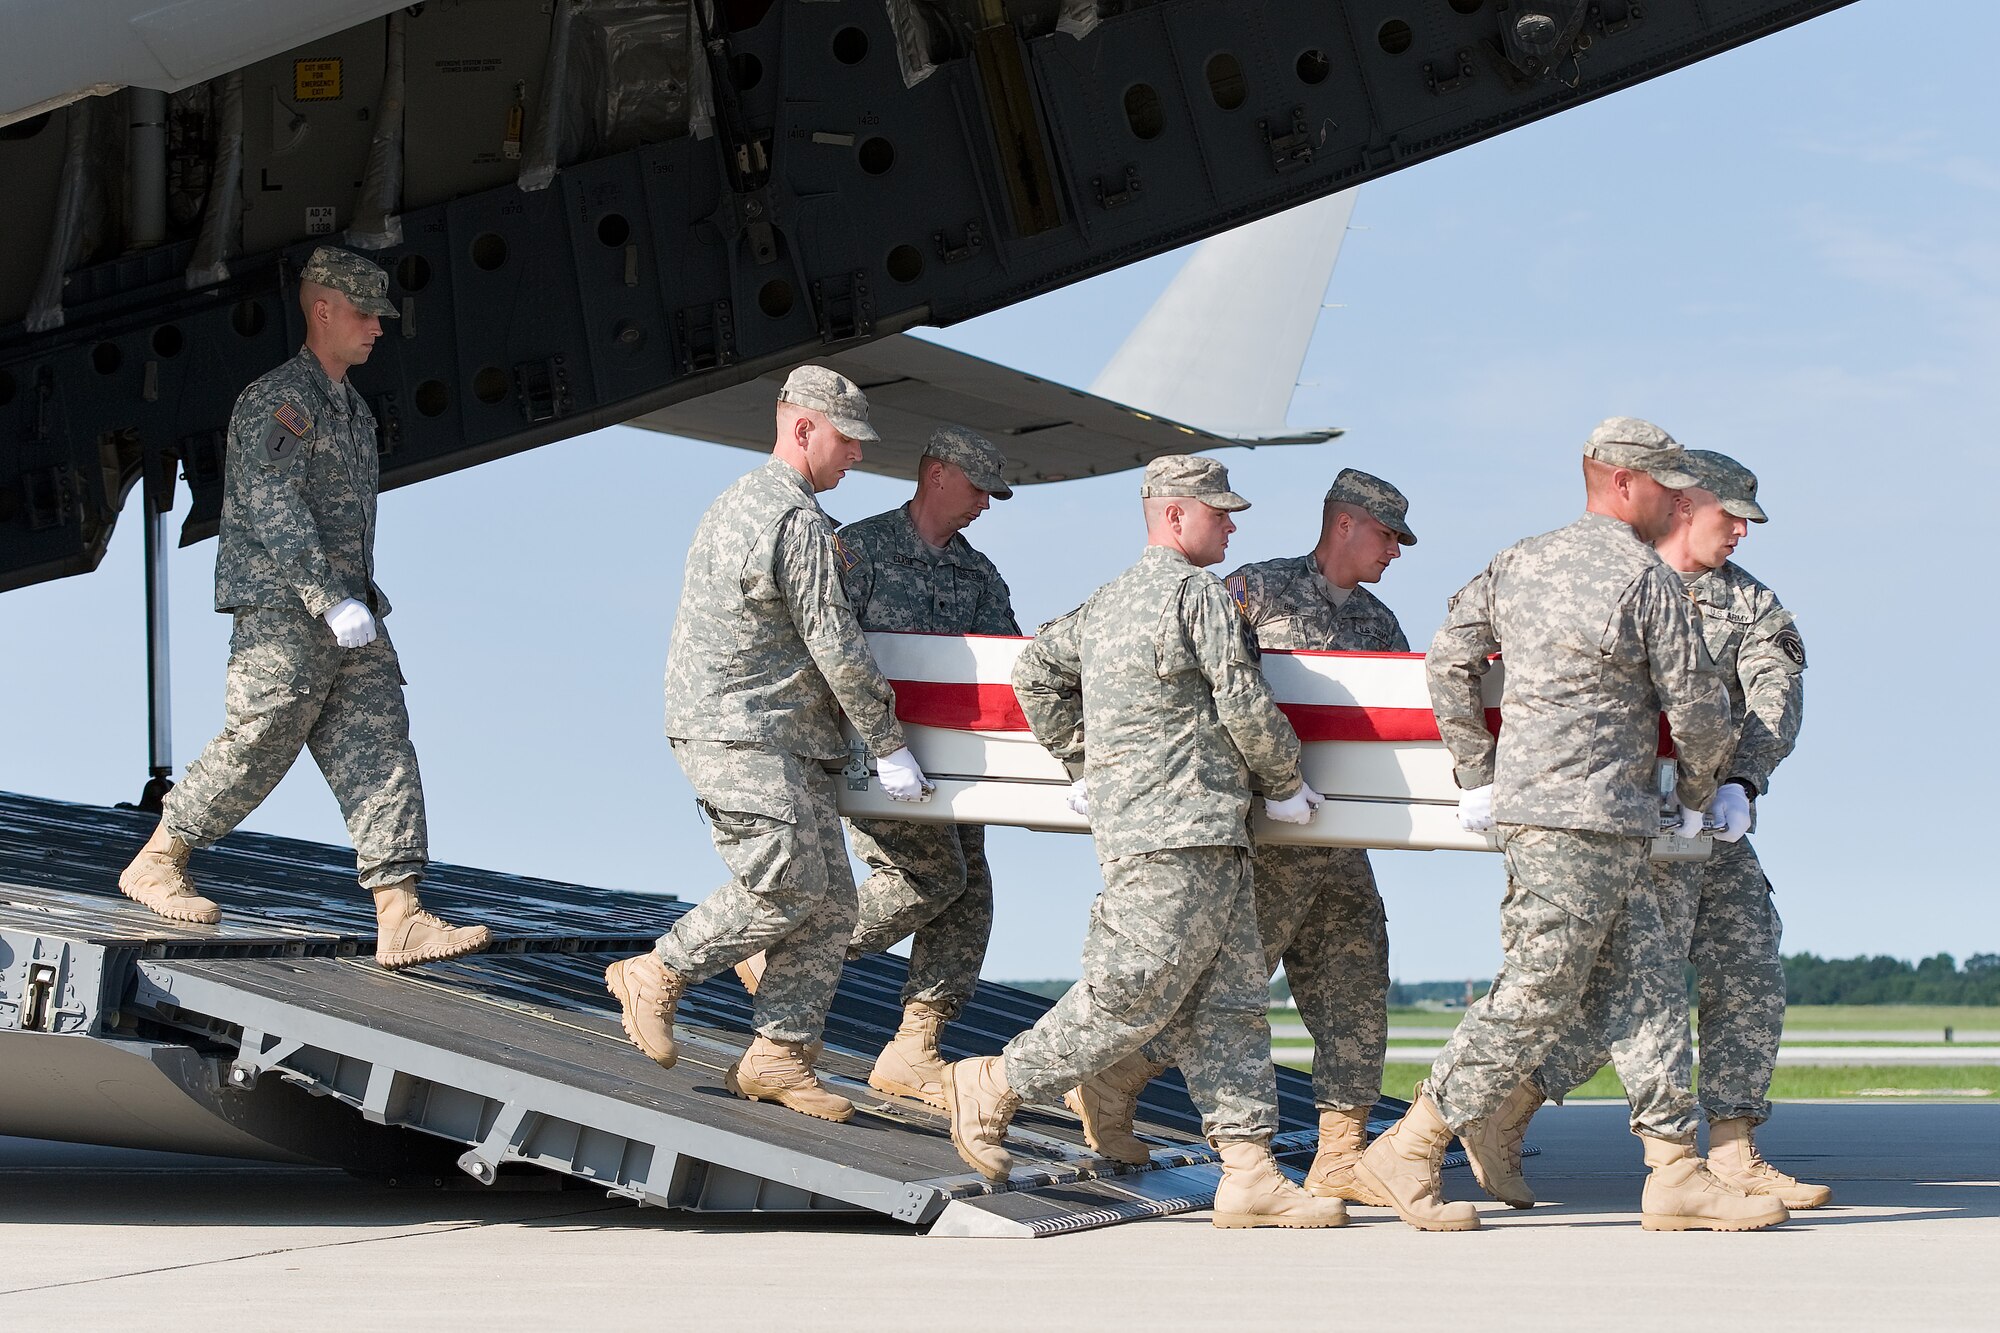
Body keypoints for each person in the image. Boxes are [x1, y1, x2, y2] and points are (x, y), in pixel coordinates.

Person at [1358, 418, 1783, 1233]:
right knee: (1533, 993)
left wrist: (1479, 771)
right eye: (1663, 483)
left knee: (1651, 985)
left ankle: (1674, 1170)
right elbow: (1696, 706)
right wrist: (1698, 793)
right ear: (1621, 482)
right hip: (1596, 817)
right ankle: (1411, 1144)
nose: (1674, 498)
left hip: (1550, 814)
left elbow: (1448, 657)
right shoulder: (1643, 578)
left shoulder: (1520, 559)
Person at [937, 455, 1347, 1229]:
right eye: (1219, 511)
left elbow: (1035, 673)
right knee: (1131, 990)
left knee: (1229, 1006)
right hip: (1177, 834)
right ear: (1174, 515)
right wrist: (1287, 781)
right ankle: (994, 1081)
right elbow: (1243, 700)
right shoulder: (1198, 596)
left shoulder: (1108, 603)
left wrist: (1084, 760)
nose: (1232, 524)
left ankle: (1249, 1168)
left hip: (1197, 832)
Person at [117, 247, 489, 970]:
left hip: (350, 612)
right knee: (261, 737)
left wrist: (348, 602)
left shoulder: (348, 407)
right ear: (323, 310)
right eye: (363, 313)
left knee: (382, 744)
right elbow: (270, 499)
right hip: (289, 611)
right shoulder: (280, 399)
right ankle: (158, 860)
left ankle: (401, 913)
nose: (377, 328)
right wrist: (325, 599)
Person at [602, 366, 931, 1124]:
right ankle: (656, 972)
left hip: (777, 733)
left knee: (830, 903)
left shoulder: (742, 501)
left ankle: (778, 1057)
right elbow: (836, 644)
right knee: (785, 882)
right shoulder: (795, 520)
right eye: (847, 440)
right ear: (804, 428)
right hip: (747, 730)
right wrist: (888, 742)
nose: (856, 456)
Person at [1081, 468, 1418, 1205]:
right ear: (1347, 524)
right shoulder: (1252, 592)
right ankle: (1112, 1078)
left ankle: (1339, 1155)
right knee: (1214, 996)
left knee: (1358, 992)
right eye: (1388, 534)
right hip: (1267, 843)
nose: (1395, 551)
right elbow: (1203, 682)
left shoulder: (1380, 625)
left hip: (1339, 845)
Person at [1519, 449, 1827, 1208]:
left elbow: (1774, 698)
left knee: (1749, 961)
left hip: (1705, 822)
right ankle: (1506, 1107)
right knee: (1608, 993)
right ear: (1687, 506)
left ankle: (1731, 1148)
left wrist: (1740, 782)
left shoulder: (1750, 605)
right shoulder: (1608, 576)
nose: (1742, 536)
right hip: (1613, 822)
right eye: (1733, 519)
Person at [834, 425, 1020, 1107]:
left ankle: (915, 1048)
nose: (985, 505)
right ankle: (793, 948)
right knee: (930, 876)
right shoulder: (860, 550)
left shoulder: (977, 573)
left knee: (969, 892)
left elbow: (1011, 671)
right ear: (937, 474)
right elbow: (831, 650)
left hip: (952, 766)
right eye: (977, 488)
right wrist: (879, 745)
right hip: (874, 755)